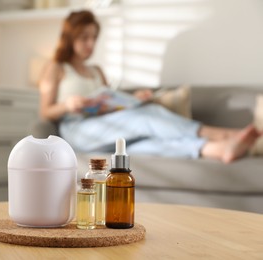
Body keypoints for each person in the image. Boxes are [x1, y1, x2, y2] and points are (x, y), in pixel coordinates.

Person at [38, 10, 261, 164]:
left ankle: (216, 149)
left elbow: (109, 101)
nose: (91, 44)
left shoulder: (97, 71)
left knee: (145, 144)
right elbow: (45, 112)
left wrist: (134, 98)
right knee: (146, 117)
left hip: (105, 125)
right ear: (70, 36)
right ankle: (224, 135)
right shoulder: (56, 67)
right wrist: (67, 105)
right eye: (84, 37)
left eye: (94, 38)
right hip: (77, 130)